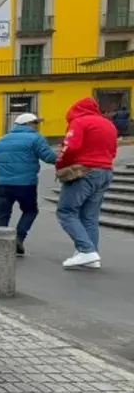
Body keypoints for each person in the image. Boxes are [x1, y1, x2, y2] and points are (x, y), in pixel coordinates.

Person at [55, 97, 118, 269]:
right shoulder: (109, 124)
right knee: (89, 217)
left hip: (84, 171)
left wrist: (60, 164)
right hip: (105, 171)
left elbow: (70, 147)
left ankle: (86, 250)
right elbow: (113, 150)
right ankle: (92, 255)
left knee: (66, 211)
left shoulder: (80, 122)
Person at [0, 113, 57, 256]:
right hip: (26, 184)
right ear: (28, 124)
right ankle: (18, 238)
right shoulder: (36, 138)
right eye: (35, 123)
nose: (37, 126)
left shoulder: (0, 140)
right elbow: (49, 157)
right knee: (30, 210)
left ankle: (1, 245)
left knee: (3, 214)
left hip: (3, 184)